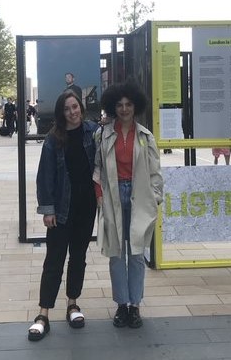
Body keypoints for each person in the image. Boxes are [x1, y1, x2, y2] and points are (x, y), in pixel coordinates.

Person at [27, 91, 98, 342]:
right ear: (61, 112)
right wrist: (47, 210)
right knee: (54, 260)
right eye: (67, 109)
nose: (72, 112)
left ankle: (72, 305)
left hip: (86, 208)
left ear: (81, 107)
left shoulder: (93, 132)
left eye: (75, 107)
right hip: (61, 210)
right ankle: (43, 314)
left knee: (78, 258)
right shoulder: (53, 139)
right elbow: (44, 177)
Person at [93, 81, 164, 330]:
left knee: (136, 255)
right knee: (115, 254)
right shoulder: (103, 134)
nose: (124, 109)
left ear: (136, 106)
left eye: (129, 104)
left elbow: (155, 171)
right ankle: (121, 305)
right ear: (114, 107)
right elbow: (97, 168)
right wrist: (99, 195)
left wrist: (155, 197)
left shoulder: (145, 136)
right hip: (112, 197)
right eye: (120, 105)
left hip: (139, 197)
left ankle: (135, 306)